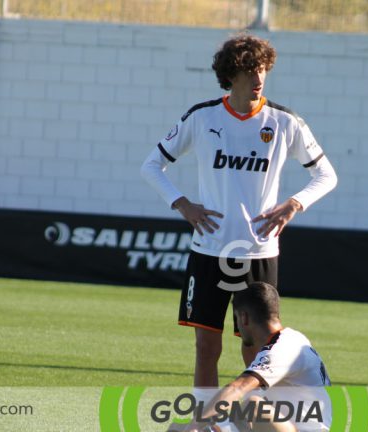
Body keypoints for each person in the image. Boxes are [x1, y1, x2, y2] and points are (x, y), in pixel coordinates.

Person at [141, 34, 337, 401]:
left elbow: (327, 175)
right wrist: (182, 204)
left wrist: (295, 203)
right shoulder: (202, 117)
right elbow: (151, 166)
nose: (259, 78)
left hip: (260, 251)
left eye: (263, 69)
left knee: (258, 350)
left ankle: (252, 421)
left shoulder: (284, 122)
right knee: (206, 346)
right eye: (250, 71)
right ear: (231, 76)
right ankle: (206, 420)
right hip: (210, 248)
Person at [181, 282, 332, 432]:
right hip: (296, 426)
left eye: (236, 319)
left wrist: (194, 426)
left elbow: (238, 388)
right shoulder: (292, 339)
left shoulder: (280, 349)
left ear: (244, 317)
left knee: (252, 406)